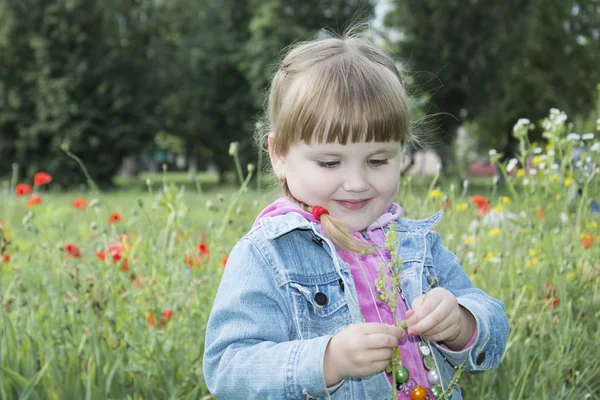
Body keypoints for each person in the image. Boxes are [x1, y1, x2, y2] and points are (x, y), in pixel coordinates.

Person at [203, 31, 509, 400]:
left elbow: (494, 325)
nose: (356, 182)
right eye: (330, 162)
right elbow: (227, 368)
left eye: (378, 160)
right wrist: (326, 360)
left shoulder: (417, 245)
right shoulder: (268, 255)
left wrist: (461, 320)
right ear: (279, 155)